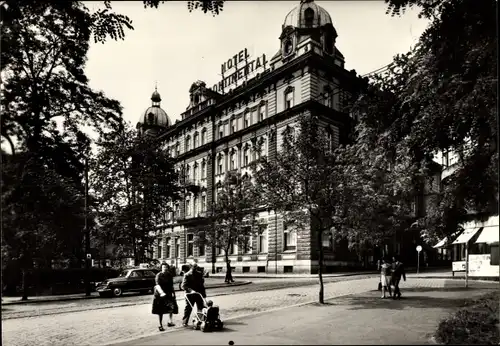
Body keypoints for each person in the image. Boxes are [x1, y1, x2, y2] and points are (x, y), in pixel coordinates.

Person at [152, 263, 178, 331]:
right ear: (161, 268)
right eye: (163, 267)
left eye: (166, 267)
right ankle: (160, 325)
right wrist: (162, 293)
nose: (165, 268)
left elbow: (171, 285)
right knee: (160, 310)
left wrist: (173, 293)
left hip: (168, 293)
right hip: (160, 294)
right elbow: (157, 285)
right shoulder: (158, 275)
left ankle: (170, 321)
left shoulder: (169, 275)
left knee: (171, 307)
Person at [181, 263, 207, 327]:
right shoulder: (187, 275)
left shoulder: (199, 274)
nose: (194, 269)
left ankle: (200, 320)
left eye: (195, 268)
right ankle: (185, 322)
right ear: (191, 267)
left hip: (198, 294)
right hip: (190, 295)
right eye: (193, 267)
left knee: (200, 307)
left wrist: (204, 296)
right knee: (188, 308)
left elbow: (202, 286)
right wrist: (191, 290)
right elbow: (183, 286)